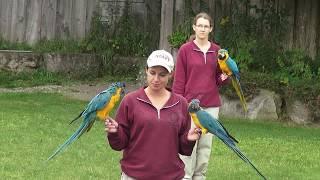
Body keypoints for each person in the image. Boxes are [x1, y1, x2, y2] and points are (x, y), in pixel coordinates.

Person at [105, 50, 201, 180]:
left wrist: (189, 140)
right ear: (146, 70)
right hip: (134, 175)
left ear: (171, 74)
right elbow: (119, 144)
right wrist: (115, 132)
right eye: (152, 73)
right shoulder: (130, 101)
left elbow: (184, 149)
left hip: (170, 176)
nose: (156, 79)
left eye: (162, 75)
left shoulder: (181, 103)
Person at [172, 12, 229, 180]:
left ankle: (200, 177)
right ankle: (185, 177)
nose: (202, 29)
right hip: (190, 107)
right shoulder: (185, 50)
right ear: (194, 27)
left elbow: (218, 79)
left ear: (210, 29)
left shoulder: (217, 50)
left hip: (211, 106)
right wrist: (178, 104)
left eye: (206, 26)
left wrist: (225, 77)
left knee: (205, 145)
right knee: (189, 143)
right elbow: (179, 81)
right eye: (200, 25)